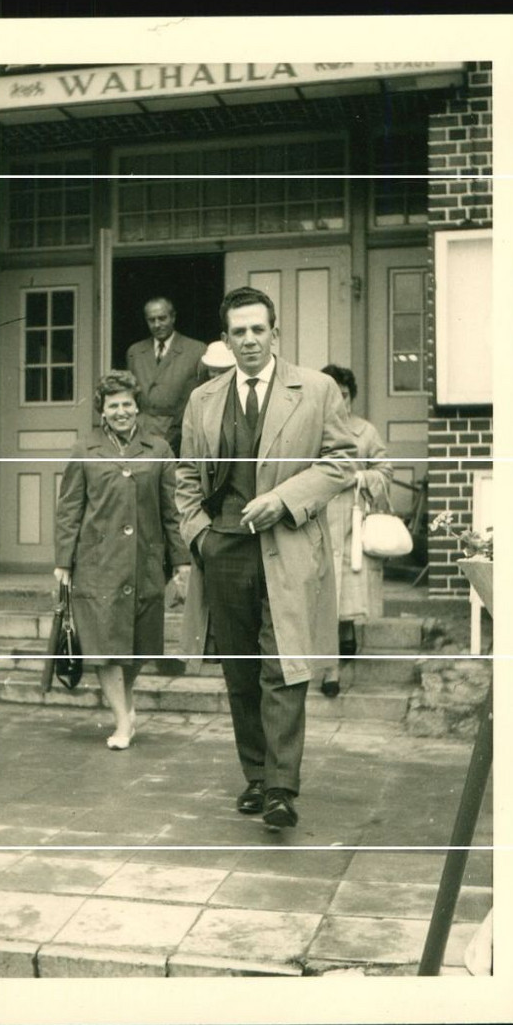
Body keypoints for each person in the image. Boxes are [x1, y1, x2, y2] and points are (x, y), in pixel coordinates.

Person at [174, 286, 356, 831]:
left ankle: (281, 787)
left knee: (284, 663)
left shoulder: (316, 389)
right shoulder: (203, 400)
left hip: (288, 544)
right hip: (224, 547)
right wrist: (200, 535)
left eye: (259, 329)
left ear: (275, 332)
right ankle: (255, 774)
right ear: (226, 340)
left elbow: (342, 462)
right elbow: (185, 477)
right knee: (240, 668)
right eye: (239, 332)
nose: (249, 340)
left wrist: (283, 499)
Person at [53, 372, 189, 750]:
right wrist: (63, 561)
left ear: (137, 406)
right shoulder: (85, 450)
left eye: (127, 403)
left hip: (145, 564)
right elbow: (69, 510)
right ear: (102, 410)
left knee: (138, 647)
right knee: (106, 647)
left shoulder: (158, 449)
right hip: (97, 565)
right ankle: (122, 722)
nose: (121, 411)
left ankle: (126, 704)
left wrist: (180, 562)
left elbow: (172, 511)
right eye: (113, 405)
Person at [316, 364, 395, 698]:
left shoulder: (365, 431)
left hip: (353, 518)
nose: (340, 402)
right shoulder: (314, 430)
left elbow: (385, 469)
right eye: (333, 395)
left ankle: (346, 632)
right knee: (326, 591)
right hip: (321, 519)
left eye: (344, 395)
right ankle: (329, 670)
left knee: (347, 584)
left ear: (352, 396)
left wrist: (364, 478)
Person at [126, 297, 206, 456]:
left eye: (162, 318)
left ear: (173, 317)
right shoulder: (135, 352)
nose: (157, 325)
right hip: (141, 435)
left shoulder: (197, 350)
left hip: (179, 435)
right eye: (151, 320)